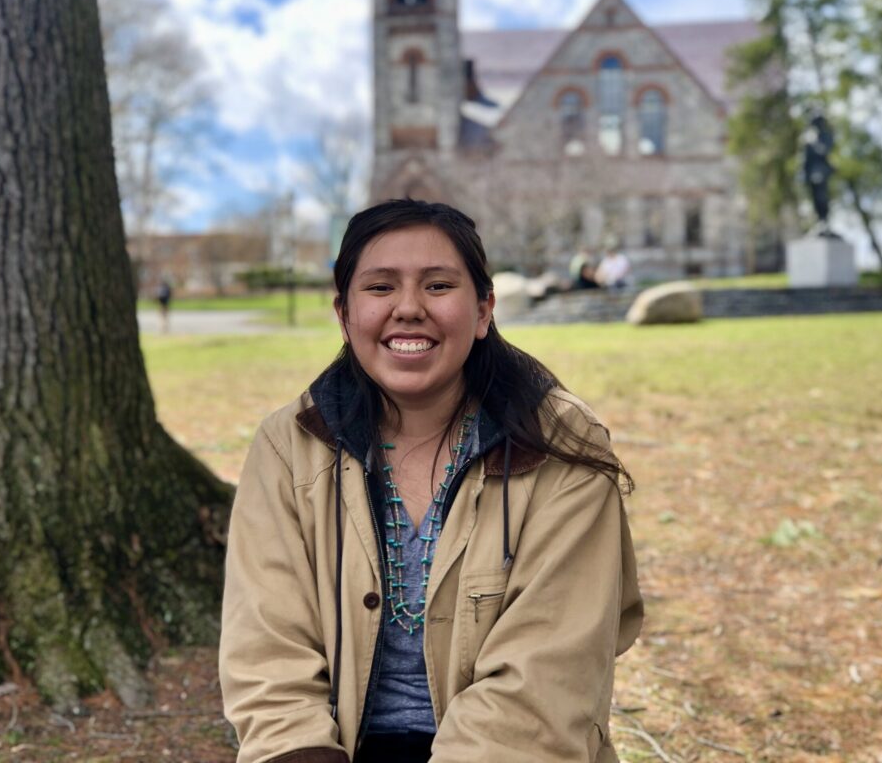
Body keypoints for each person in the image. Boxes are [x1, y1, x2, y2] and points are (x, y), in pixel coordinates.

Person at [220, 199, 643, 763]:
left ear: (484, 309)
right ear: (344, 314)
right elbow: (267, 655)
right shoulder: (289, 447)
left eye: (439, 286)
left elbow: (546, 682)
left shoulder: (562, 445)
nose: (409, 308)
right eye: (379, 288)